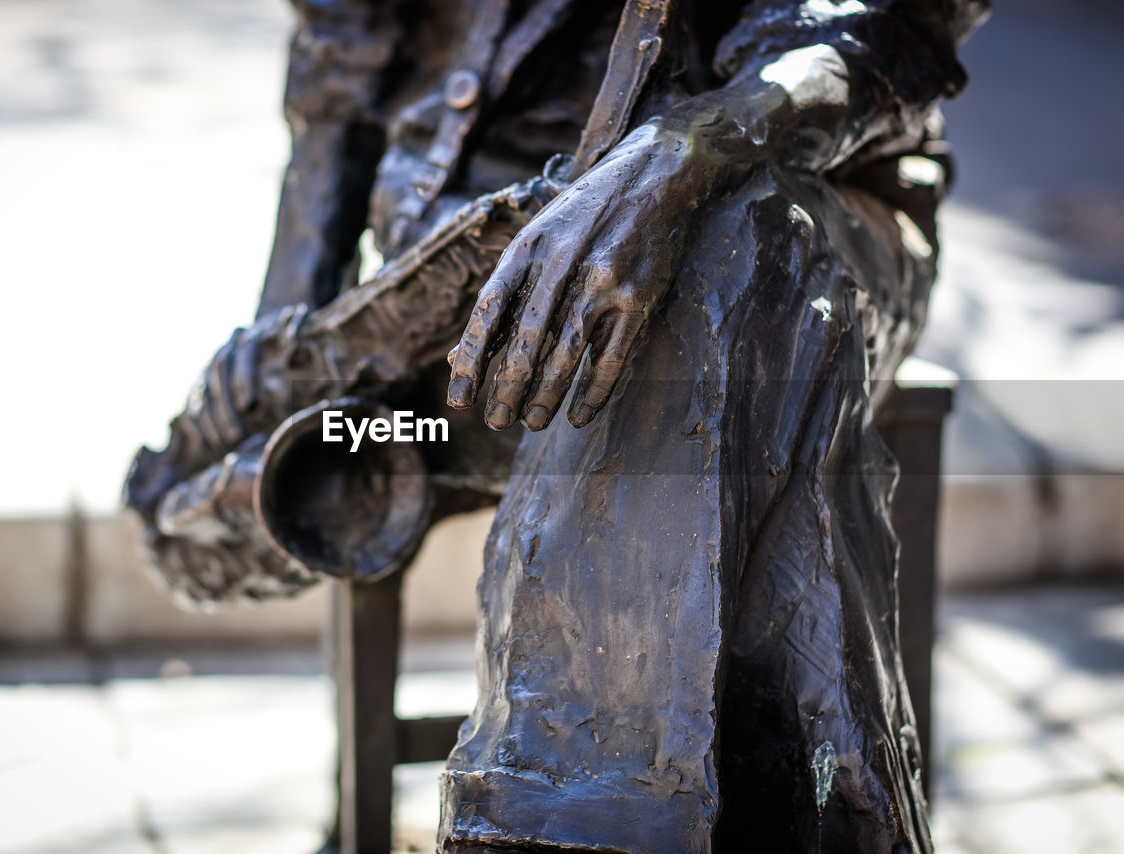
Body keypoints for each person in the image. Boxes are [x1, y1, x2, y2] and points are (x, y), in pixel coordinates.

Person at [194, 0, 987, 850]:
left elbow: (859, 38)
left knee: (707, 277)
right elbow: (335, 102)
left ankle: (571, 809)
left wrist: (685, 153)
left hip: (801, 203)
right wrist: (279, 370)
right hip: (453, 314)